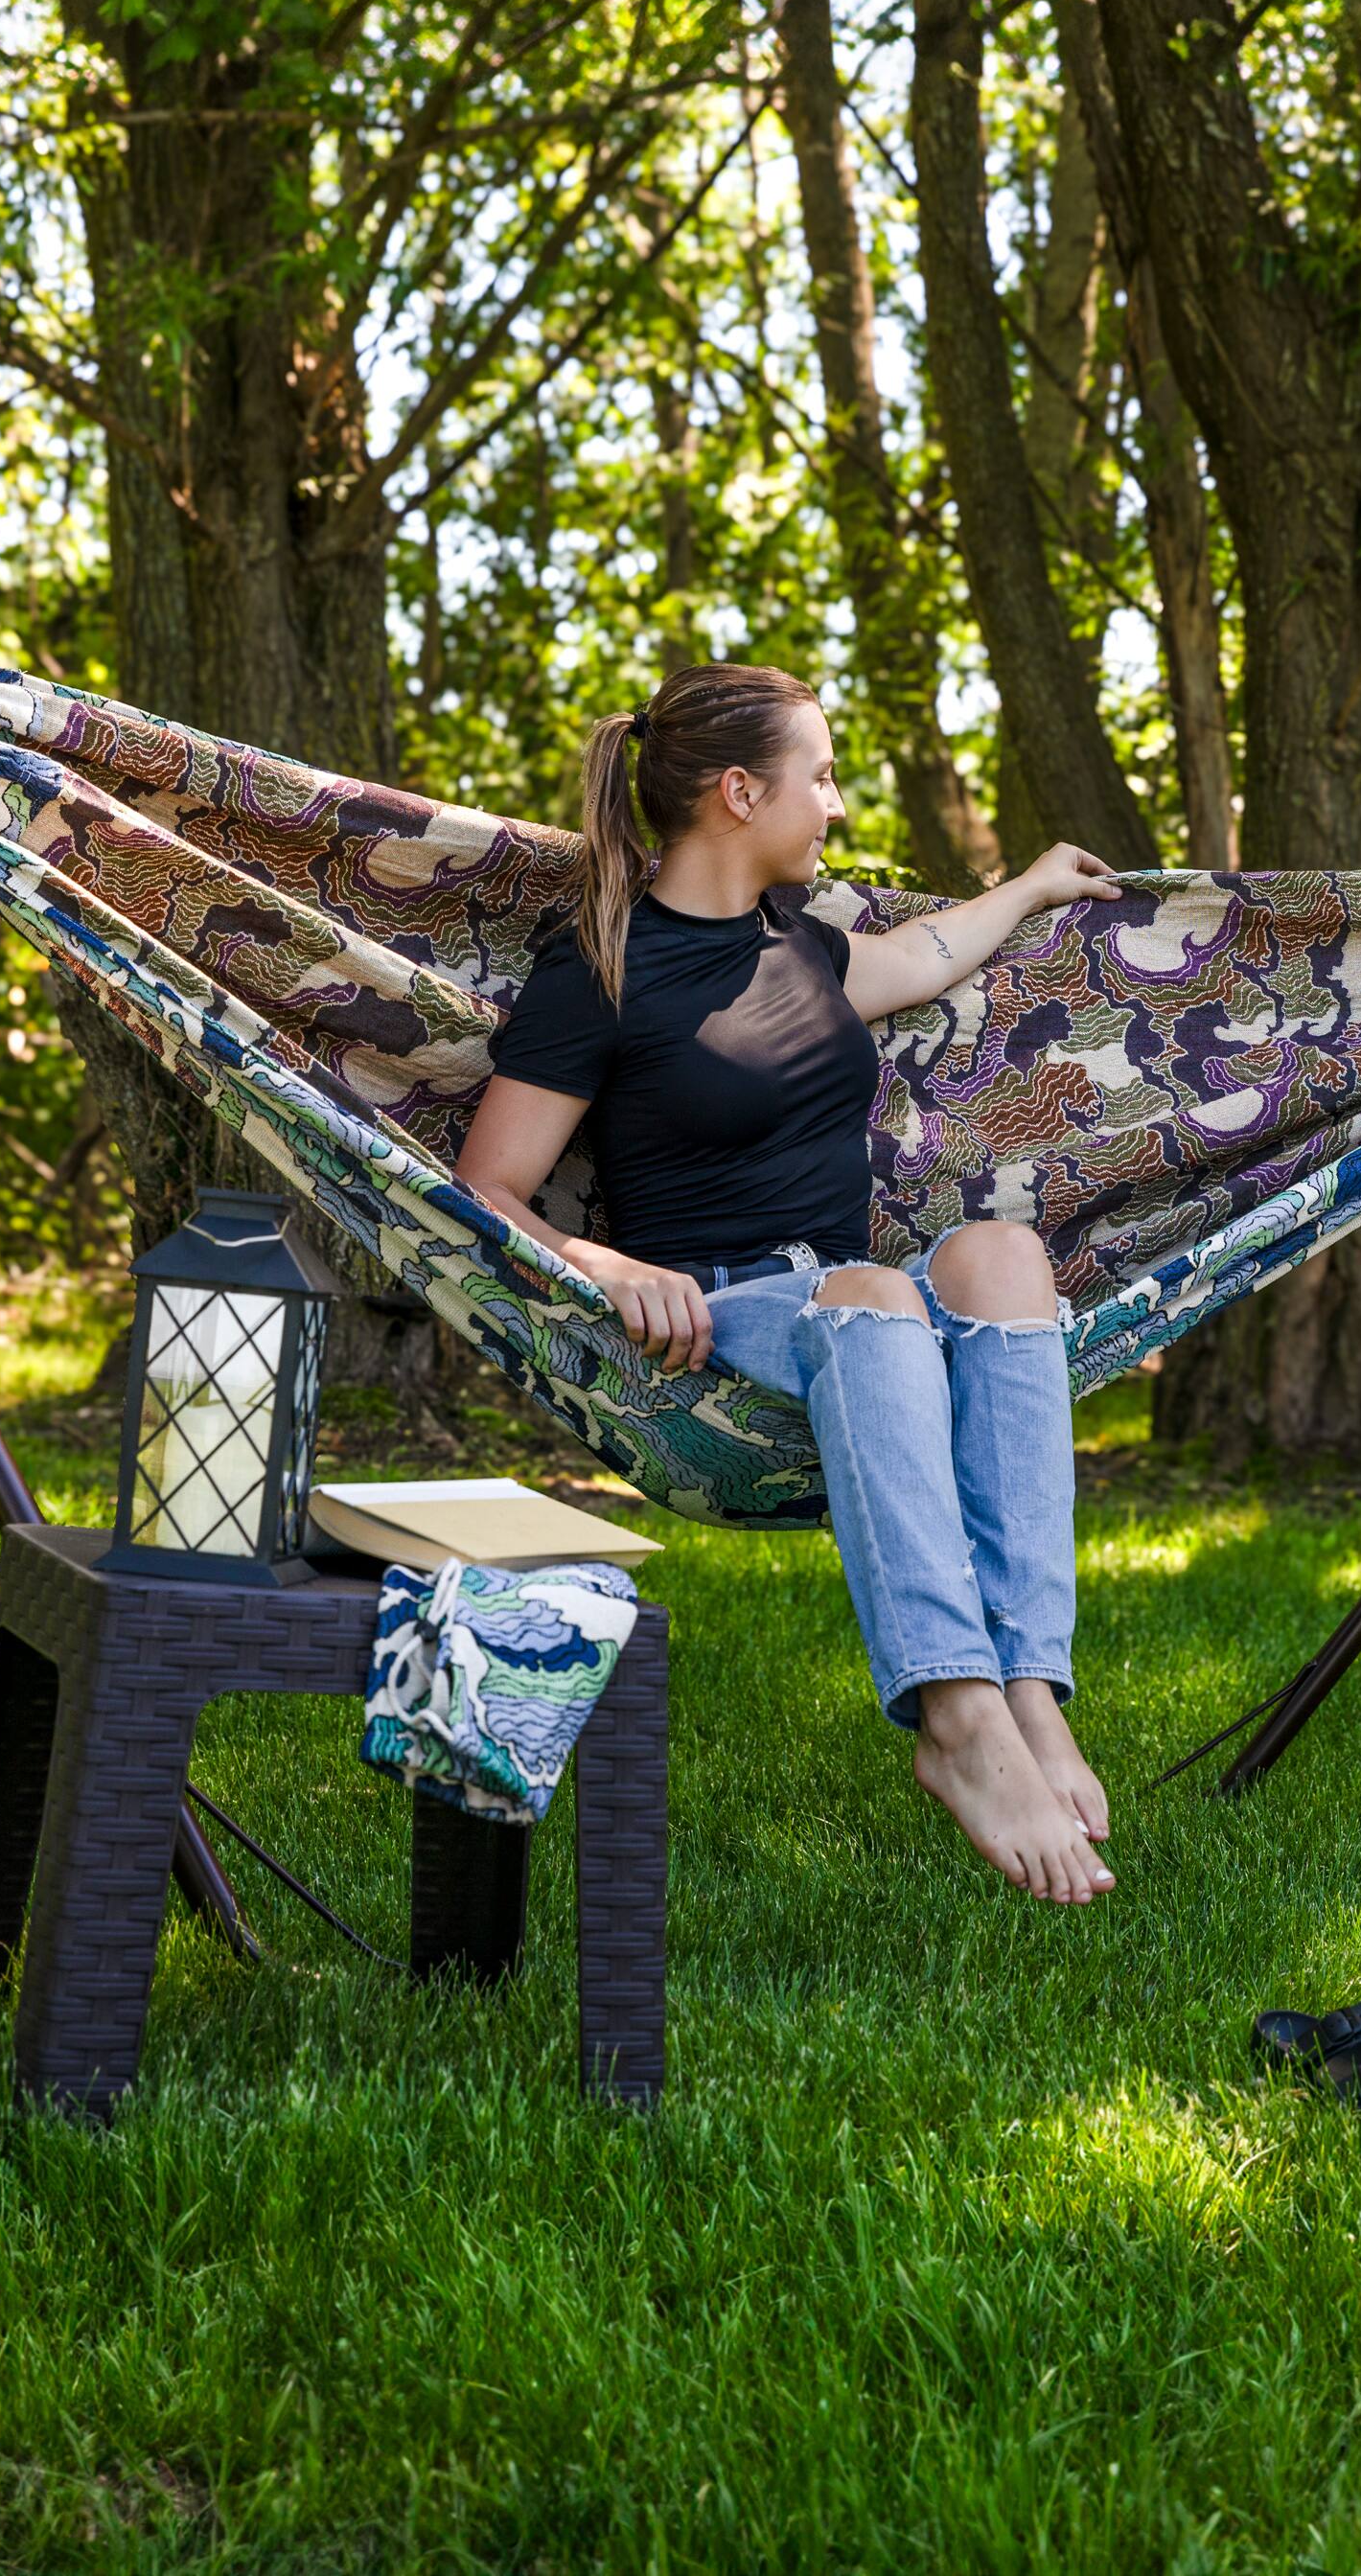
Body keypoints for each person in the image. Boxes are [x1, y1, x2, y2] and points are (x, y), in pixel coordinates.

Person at [455, 661, 1123, 1902]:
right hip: (727, 1310)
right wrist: (607, 1268)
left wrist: (1029, 884)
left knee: (1002, 1255)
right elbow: (490, 1186)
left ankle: (1029, 1689)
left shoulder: (802, 945)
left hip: (855, 1303)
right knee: (870, 1295)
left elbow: (924, 954)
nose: (835, 803)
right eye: (819, 777)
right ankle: (957, 1718)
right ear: (738, 793)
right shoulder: (598, 970)